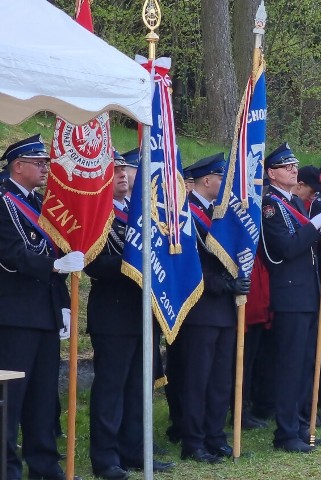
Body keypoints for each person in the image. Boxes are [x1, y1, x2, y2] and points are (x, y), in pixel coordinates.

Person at [85, 153, 174, 479]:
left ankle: (134, 451)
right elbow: (93, 264)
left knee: (139, 387)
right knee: (111, 388)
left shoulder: (139, 215)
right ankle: (106, 458)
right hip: (113, 313)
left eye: (124, 169)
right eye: (114, 170)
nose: (121, 175)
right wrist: (133, 262)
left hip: (142, 313)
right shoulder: (98, 216)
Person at [0, 135, 83, 480]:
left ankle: (45, 466)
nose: (46, 169)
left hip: (44, 312)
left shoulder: (40, 203)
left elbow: (55, 251)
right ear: (18, 166)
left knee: (43, 397)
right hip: (14, 315)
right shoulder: (4, 202)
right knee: (11, 398)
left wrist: (62, 305)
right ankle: (6, 468)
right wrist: (53, 266)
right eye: (39, 163)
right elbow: (11, 255)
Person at [260, 142, 321, 453]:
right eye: (286, 166)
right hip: (289, 296)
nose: (293, 168)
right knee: (290, 367)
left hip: (307, 294)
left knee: (304, 365)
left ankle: (301, 425)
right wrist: (315, 225)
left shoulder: (295, 204)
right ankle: (286, 433)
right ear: (271, 173)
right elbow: (286, 249)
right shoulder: (272, 206)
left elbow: (304, 246)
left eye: (294, 164)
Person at [176, 153, 248, 464]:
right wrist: (224, 284)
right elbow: (187, 264)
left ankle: (215, 436)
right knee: (197, 379)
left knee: (220, 379)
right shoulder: (185, 213)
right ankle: (193, 441)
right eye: (222, 178)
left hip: (224, 310)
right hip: (199, 309)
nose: (226, 186)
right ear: (207, 181)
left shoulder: (219, 214)